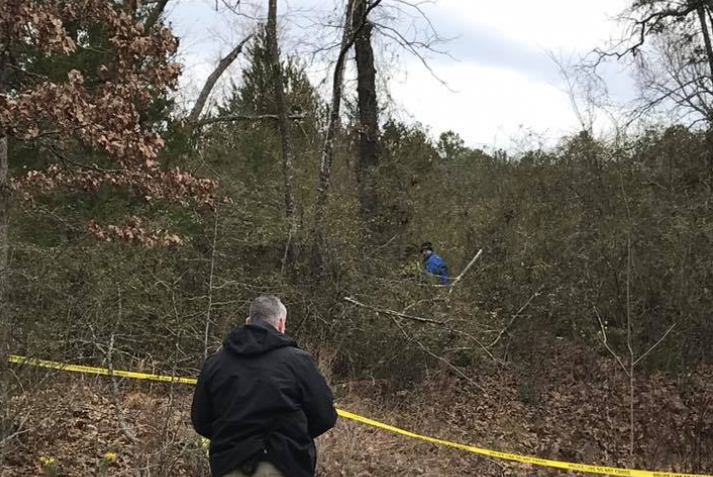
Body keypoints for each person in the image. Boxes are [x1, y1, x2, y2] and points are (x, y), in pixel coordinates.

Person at [191, 296, 337, 477]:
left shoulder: (215, 363)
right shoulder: (298, 362)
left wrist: (232, 439)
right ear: (281, 323)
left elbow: (201, 420)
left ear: (248, 321)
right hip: (285, 464)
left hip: (229, 465)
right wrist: (293, 436)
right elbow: (325, 416)